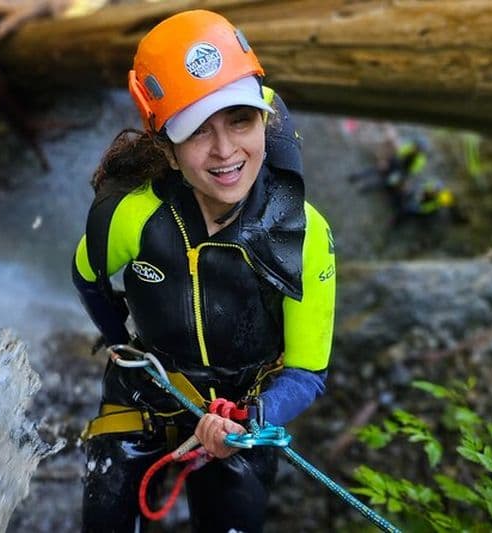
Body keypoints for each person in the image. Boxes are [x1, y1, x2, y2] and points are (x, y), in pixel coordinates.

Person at [71, 10, 335, 532]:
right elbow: (87, 278)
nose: (225, 151)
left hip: (241, 411)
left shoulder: (303, 235)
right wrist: (119, 341)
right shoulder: (131, 217)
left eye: (240, 121)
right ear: (167, 152)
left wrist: (250, 420)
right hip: (145, 389)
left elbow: (308, 373)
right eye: (198, 132)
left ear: (264, 121)